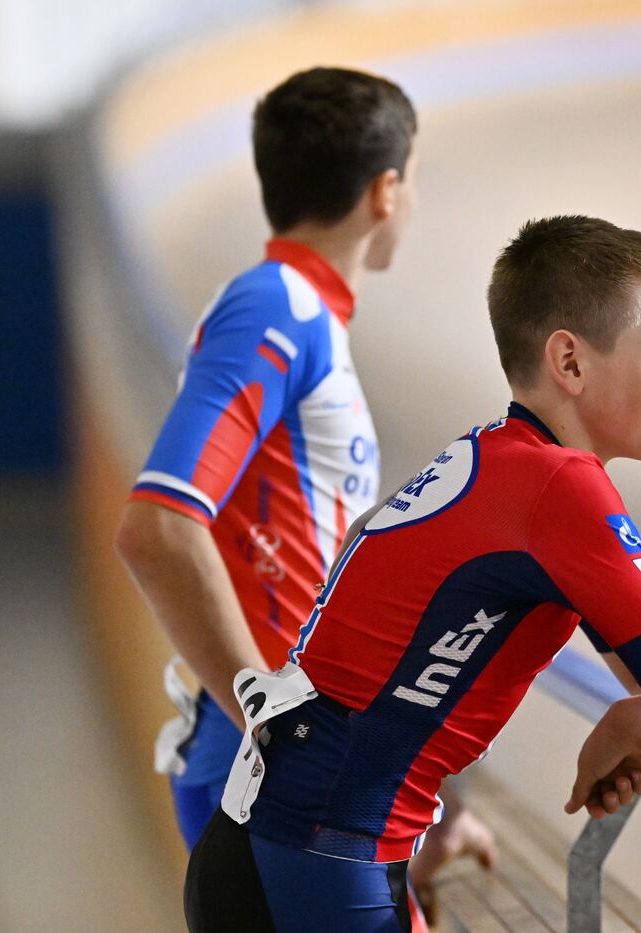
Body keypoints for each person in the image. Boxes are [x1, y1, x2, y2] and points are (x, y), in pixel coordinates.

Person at [181, 215, 641, 931]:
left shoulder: (500, 458)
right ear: (570, 362)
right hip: (319, 868)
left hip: (285, 850)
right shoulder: (559, 491)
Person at [113, 66, 493, 884]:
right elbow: (157, 528)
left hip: (294, 783)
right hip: (276, 786)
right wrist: (271, 722)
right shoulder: (276, 308)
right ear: (386, 192)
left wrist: (427, 804)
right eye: (414, 180)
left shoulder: (298, 312)